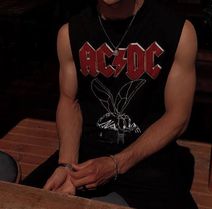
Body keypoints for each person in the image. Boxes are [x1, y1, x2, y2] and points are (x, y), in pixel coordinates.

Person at [40, 0, 198, 208]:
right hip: (85, 156)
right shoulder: (71, 32)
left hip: (148, 159)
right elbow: (70, 101)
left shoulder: (177, 31)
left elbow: (178, 117)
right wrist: (67, 164)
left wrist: (115, 164)